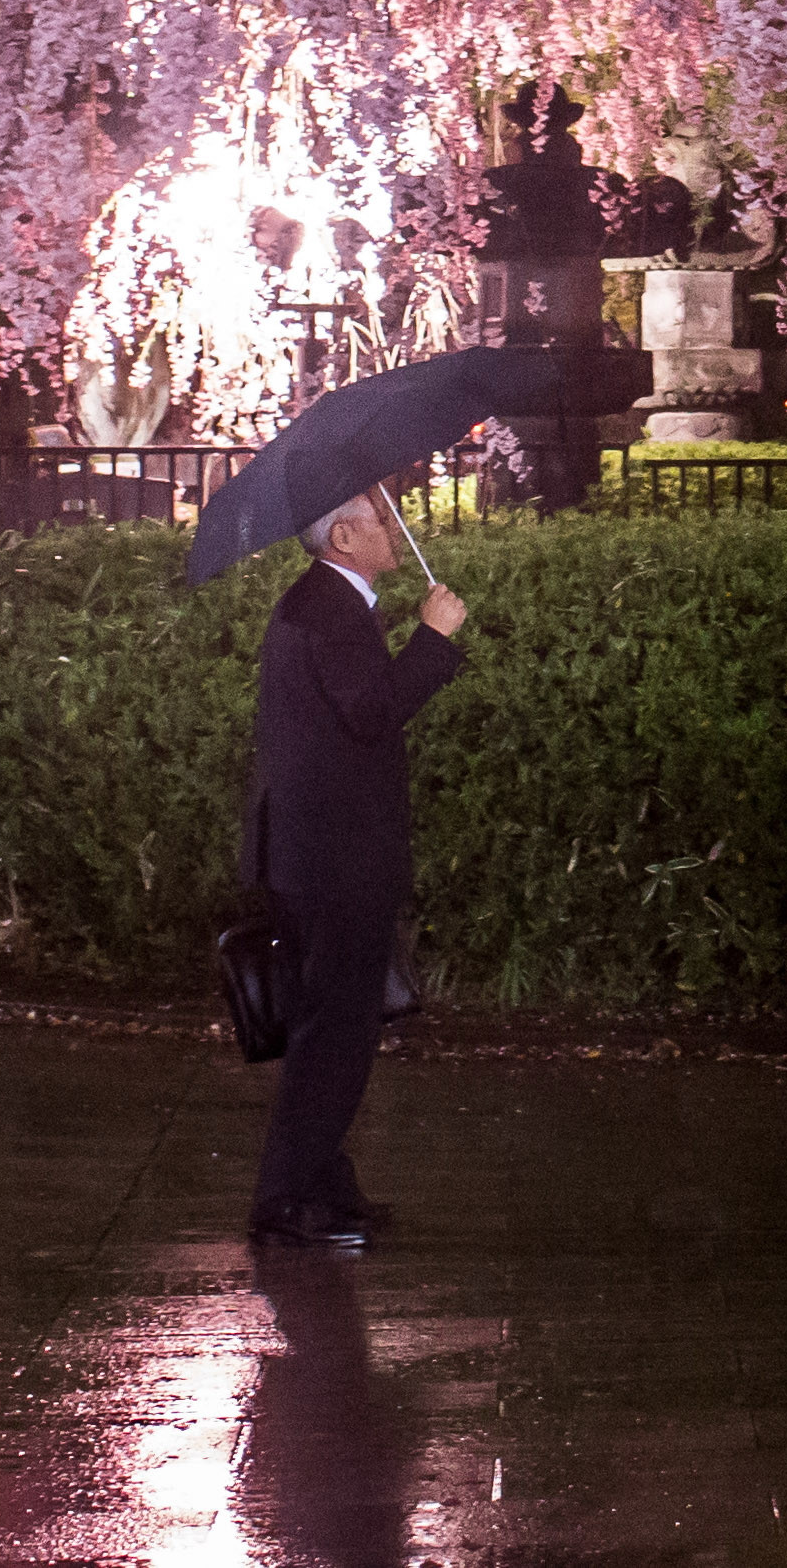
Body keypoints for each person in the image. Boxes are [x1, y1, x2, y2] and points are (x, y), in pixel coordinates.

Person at [247, 485, 468, 1248]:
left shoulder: (321, 603)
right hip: (335, 861)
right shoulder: (332, 612)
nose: (396, 526)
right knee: (333, 1032)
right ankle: (286, 1199)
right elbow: (371, 712)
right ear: (343, 535)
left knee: (334, 1027)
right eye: (381, 516)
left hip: (317, 856)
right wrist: (433, 639)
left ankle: (324, 1186)